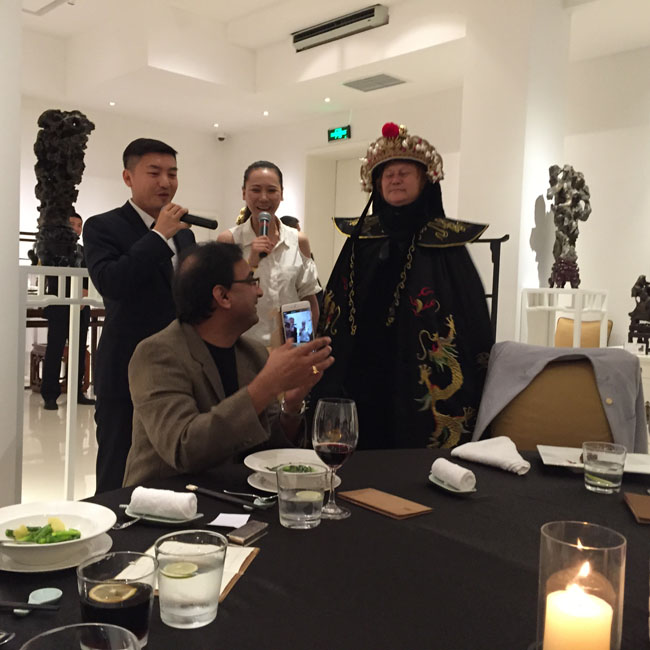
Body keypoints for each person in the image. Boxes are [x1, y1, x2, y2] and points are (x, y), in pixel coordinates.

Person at [315, 122, 494, 450]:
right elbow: (335, 307)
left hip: (415, 377)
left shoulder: (445, 244)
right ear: (377, 183)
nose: (395, 179)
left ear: (424, 180)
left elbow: (467, 317)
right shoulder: (361, 238)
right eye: (388, 174)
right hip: (360, 372)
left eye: (404, 173)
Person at [123, 242, 333, 486]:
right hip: (166, 498)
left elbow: (268, 448)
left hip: (235, 494)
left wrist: (292, 405)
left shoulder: (252, 353)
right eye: (251, 281)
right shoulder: (157, 354)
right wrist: (265, 386)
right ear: (222, 296)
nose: (259, 292)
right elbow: (183, 449)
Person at [84, 138, 196, 493]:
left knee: (173, 466)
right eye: (154, 172)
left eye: (172, 173)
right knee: (117, 464)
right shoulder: (102, 226)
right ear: (128, 177)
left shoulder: (186, 235)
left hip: (179, 369)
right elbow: (112, 282)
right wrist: (158, 235)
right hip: (126, 366)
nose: (165, 182)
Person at [217, 161, 320, 347]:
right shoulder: (229, 240)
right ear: (244, 193)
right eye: (256, 190)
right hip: (245, 347)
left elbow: (308, 300)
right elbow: (222, 297)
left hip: (289, 347)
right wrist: (251, 262)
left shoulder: (298, 241)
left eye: (272, 190)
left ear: (281, 194)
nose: (264, 198)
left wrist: (302, 347)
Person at [41, 213, 95, 410]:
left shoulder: (84, 251)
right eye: (73, 224)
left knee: (79, 349)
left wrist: (85, 293)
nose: (77, 228)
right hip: (58, 305)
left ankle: (77, 392)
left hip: (81, 306)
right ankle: (50, 395)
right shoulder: (52, 249)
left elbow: (91, 274)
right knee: (55, 350)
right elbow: (51, 276)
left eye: (79, 225)